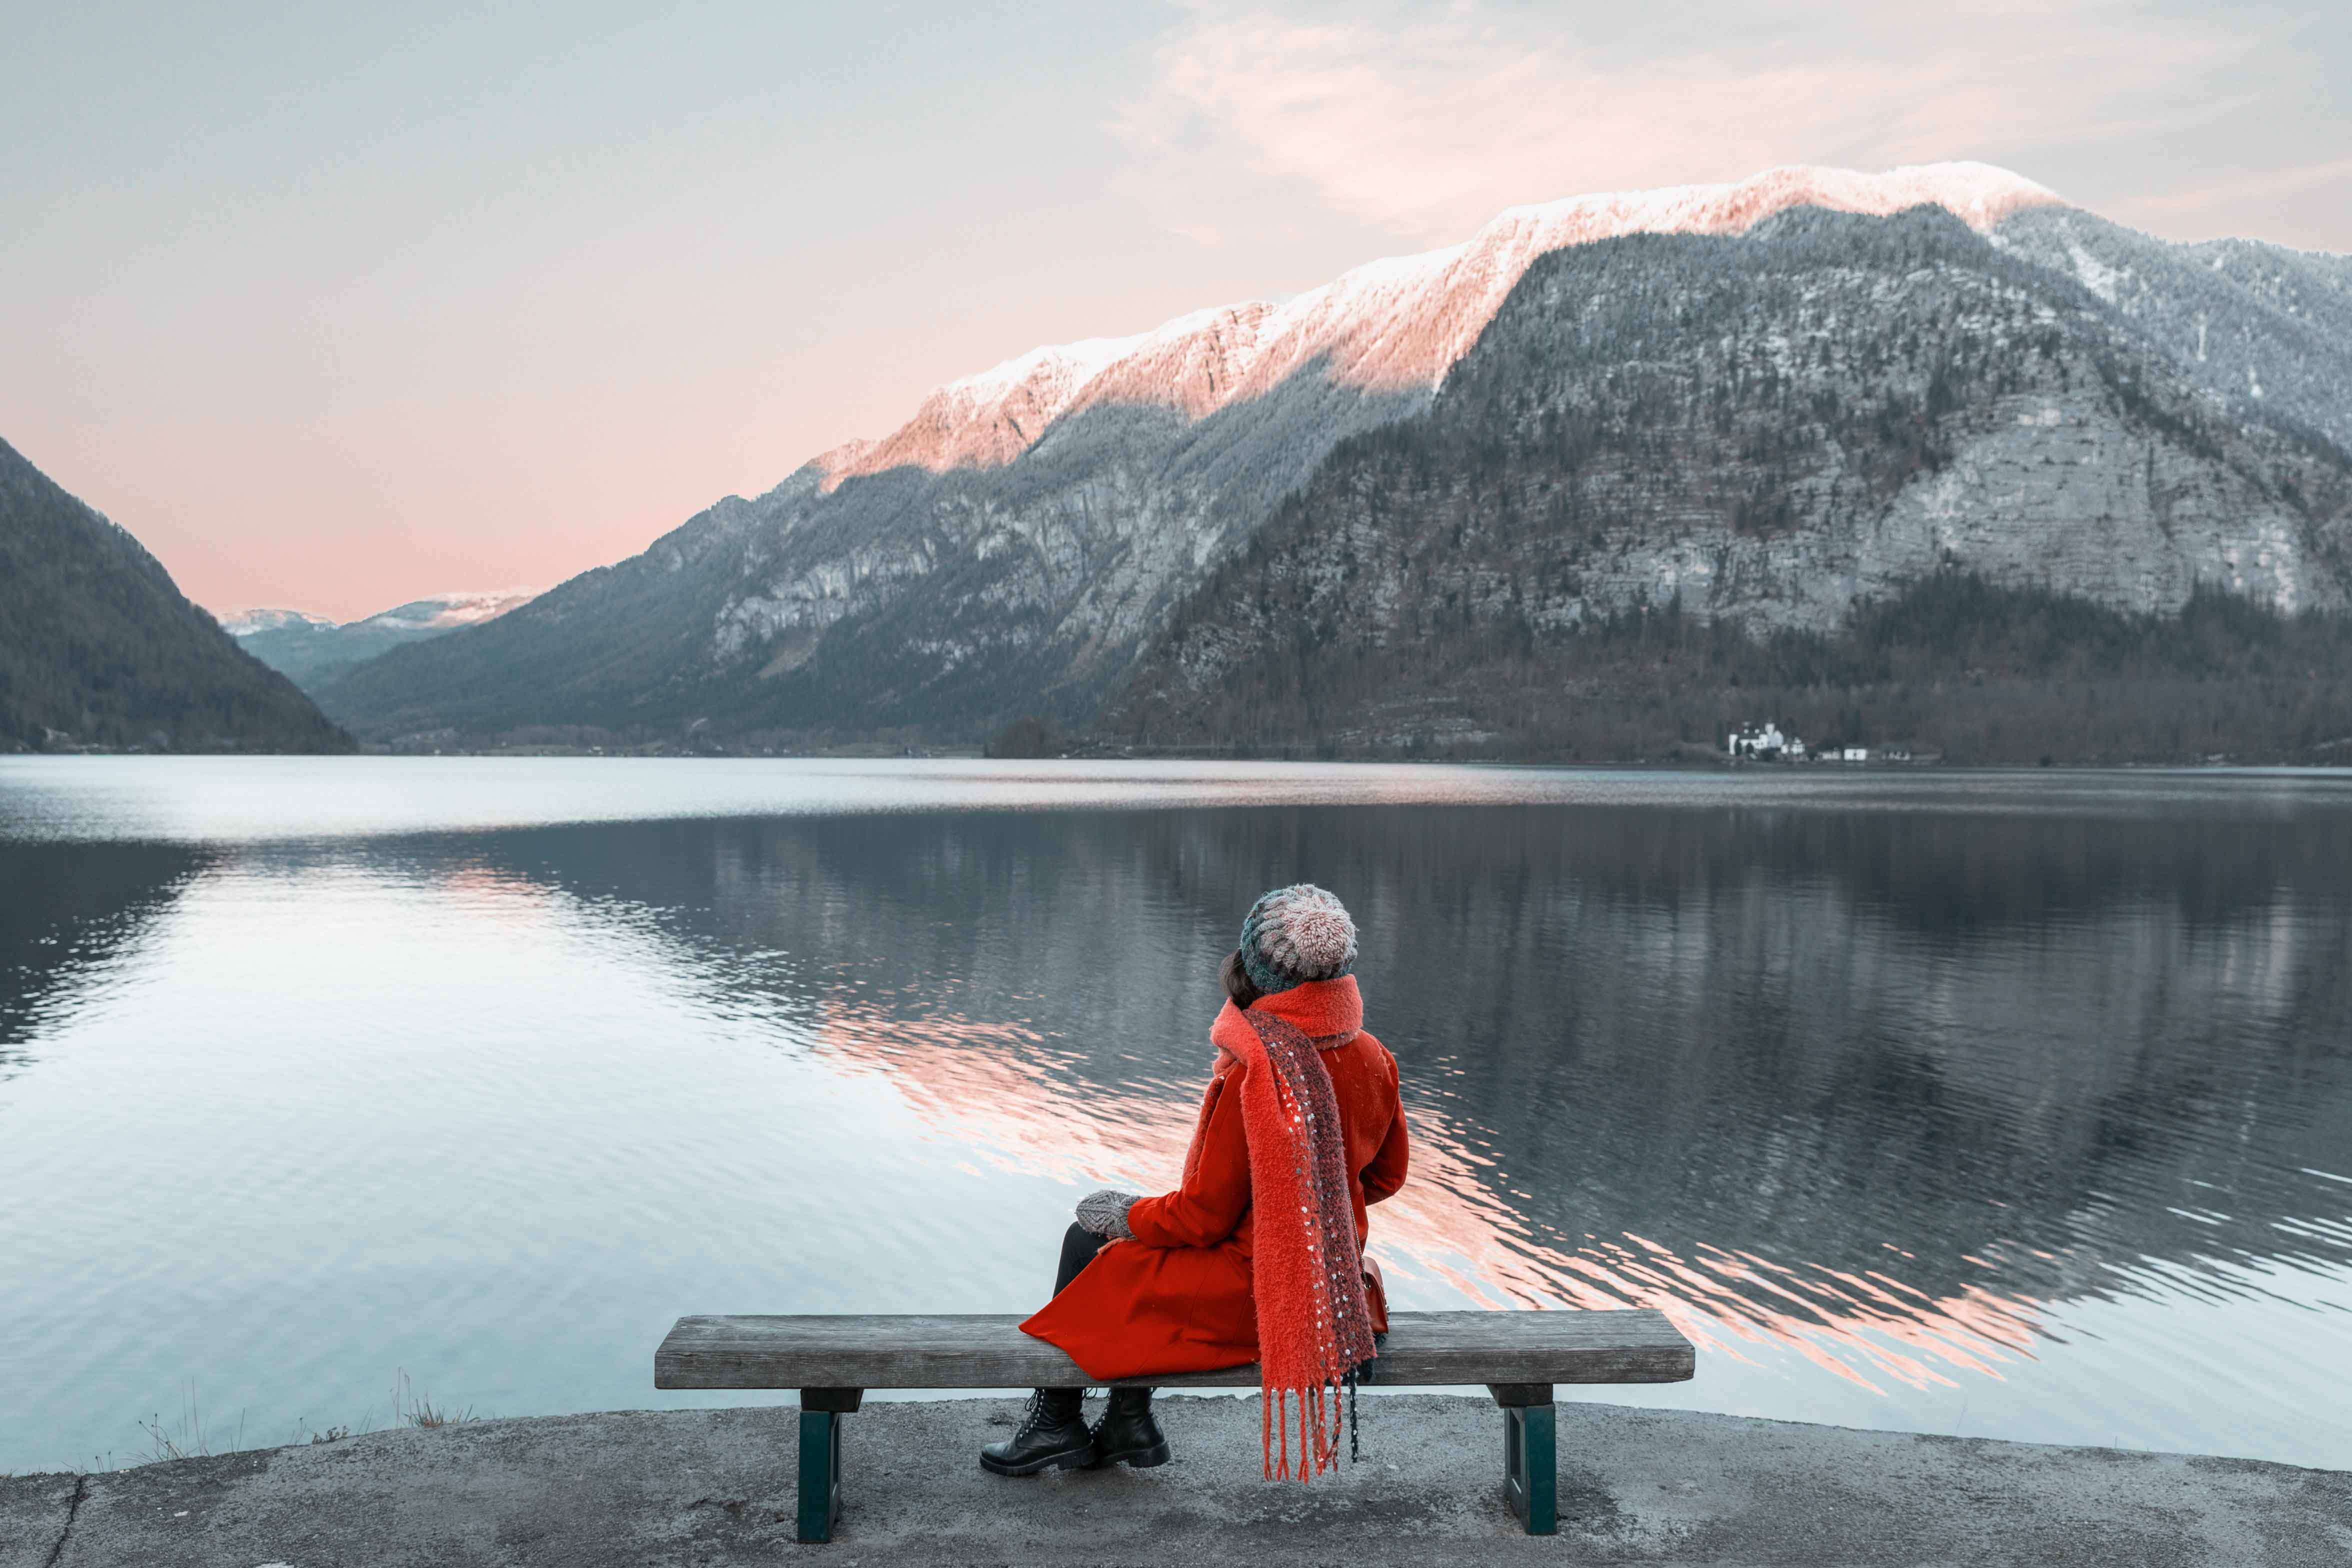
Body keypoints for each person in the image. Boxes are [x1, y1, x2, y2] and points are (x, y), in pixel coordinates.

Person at [981, 884, 1410, 1480]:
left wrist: (1125, 1211)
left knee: (1089, 1240)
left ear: (1256, 968)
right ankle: (1128, 1424)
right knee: (1138, 1249)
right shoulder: (1373, 1056)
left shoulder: (1259, 1074)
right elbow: (1386, 1177)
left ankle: (1057, 1421)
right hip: (1324, 1279)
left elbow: (1203, 1217)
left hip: (1263, 1297)